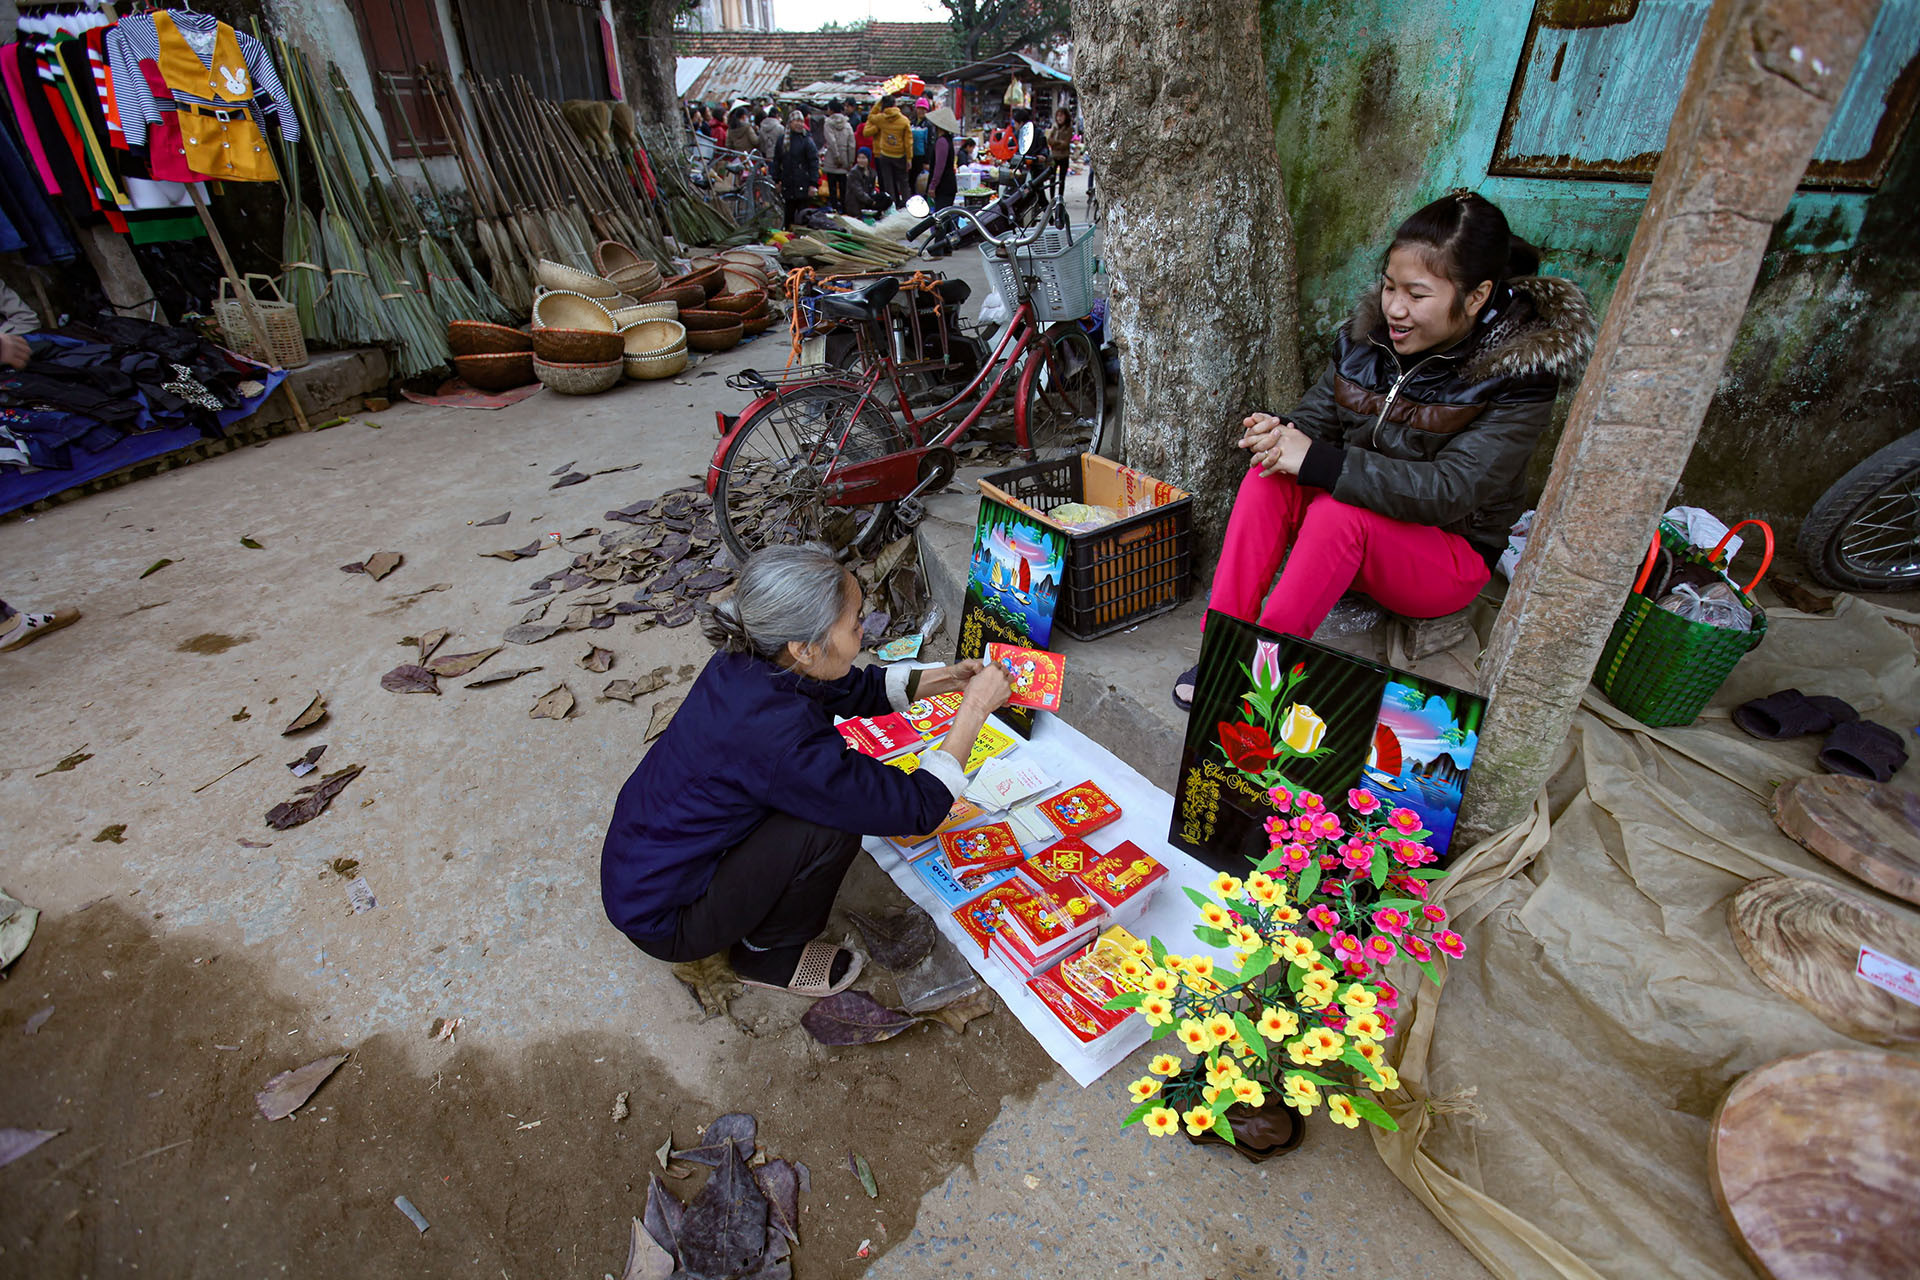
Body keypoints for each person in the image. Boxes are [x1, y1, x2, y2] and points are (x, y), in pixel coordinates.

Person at [1171, 190, 1595, 708]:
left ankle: (1266, 666)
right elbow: (1315, 423)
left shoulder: (1517, 375)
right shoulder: (1364, 338)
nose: (1395, 308)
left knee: (1335, 512)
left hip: (1446, 554)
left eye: (1417, 296)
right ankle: (1223, 644)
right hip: (1359, 524)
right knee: (1269, 477)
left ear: (1477, 295)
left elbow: (1451, 490)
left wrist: (1322, 461)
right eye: (1391, 287)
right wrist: (1280, 433)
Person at [601, 545, 1013, 995]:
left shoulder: (751, 657)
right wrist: (973, 710)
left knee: (823, 796)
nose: (863, 627)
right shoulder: (784, 740)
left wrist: (945, 680)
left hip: (639, 869)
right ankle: (765, 953)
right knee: (833, 823)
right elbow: (915, 807)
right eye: (855, 623)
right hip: (668, 918)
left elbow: (839, 686)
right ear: (805, 648)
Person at [865, 94, 913, 209]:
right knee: (903, 183)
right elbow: (908, 142)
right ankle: (908, 208)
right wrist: (909, 158)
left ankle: (892, 207)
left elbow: (870, 116)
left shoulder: (881, 118)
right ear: (895, 105)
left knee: (888, 184)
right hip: (900, 155)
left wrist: (878, 104)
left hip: (885, 155)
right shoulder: (904, 120)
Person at [775, 109, 819, 229]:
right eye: (796, 121)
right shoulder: (782, 140)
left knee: (803, 216)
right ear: (790, 123)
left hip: (803, 183)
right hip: (788, 183)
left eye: (801, 121)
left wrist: (813, 183)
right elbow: (777, 161)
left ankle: (803, 239)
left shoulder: (806, 140)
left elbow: (814, 162)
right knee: (788, 214)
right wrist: (777, 179)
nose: (799, 124)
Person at [819, 99, 855, 210]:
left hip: (831, 160)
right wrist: (850, 161)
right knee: (843, 187)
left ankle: (834, 209)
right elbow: (852, 145)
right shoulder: (847, 125)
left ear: (831, 110)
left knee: (832, 188)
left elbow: (831, 141)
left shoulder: (828, 124)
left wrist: (836, 157)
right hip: (845, 160)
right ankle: (844, 209)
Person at [923, 106, 961, 210]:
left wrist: (932, 186)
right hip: (947, 185)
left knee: (941, 218)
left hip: (944, 187)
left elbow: (939, 166)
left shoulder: (942, 142)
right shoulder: (946, 140)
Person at [1046, 107, 1074, 208]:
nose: (1059, 118)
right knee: (1052, 178)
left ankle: (1060, 199)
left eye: (1061, 115)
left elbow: (1065, 144)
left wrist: (1055, 143)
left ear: (1066, 117)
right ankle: (1052, 199)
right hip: (1054, 157)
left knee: (1062, 179)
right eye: (1058, 116)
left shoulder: (1069, 128)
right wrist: (1057, 143)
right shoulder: (1054, 127)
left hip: (1064, 156)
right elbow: (1049, 140)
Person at [845, 148, 880, 218]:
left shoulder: (872, 172)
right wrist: (871, 202)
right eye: (859, 158)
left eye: (863, 158)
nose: (861, 160)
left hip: (866, 203)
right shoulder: (854, 173)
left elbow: (872, 189)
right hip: (855, 205)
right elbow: (858, 191)